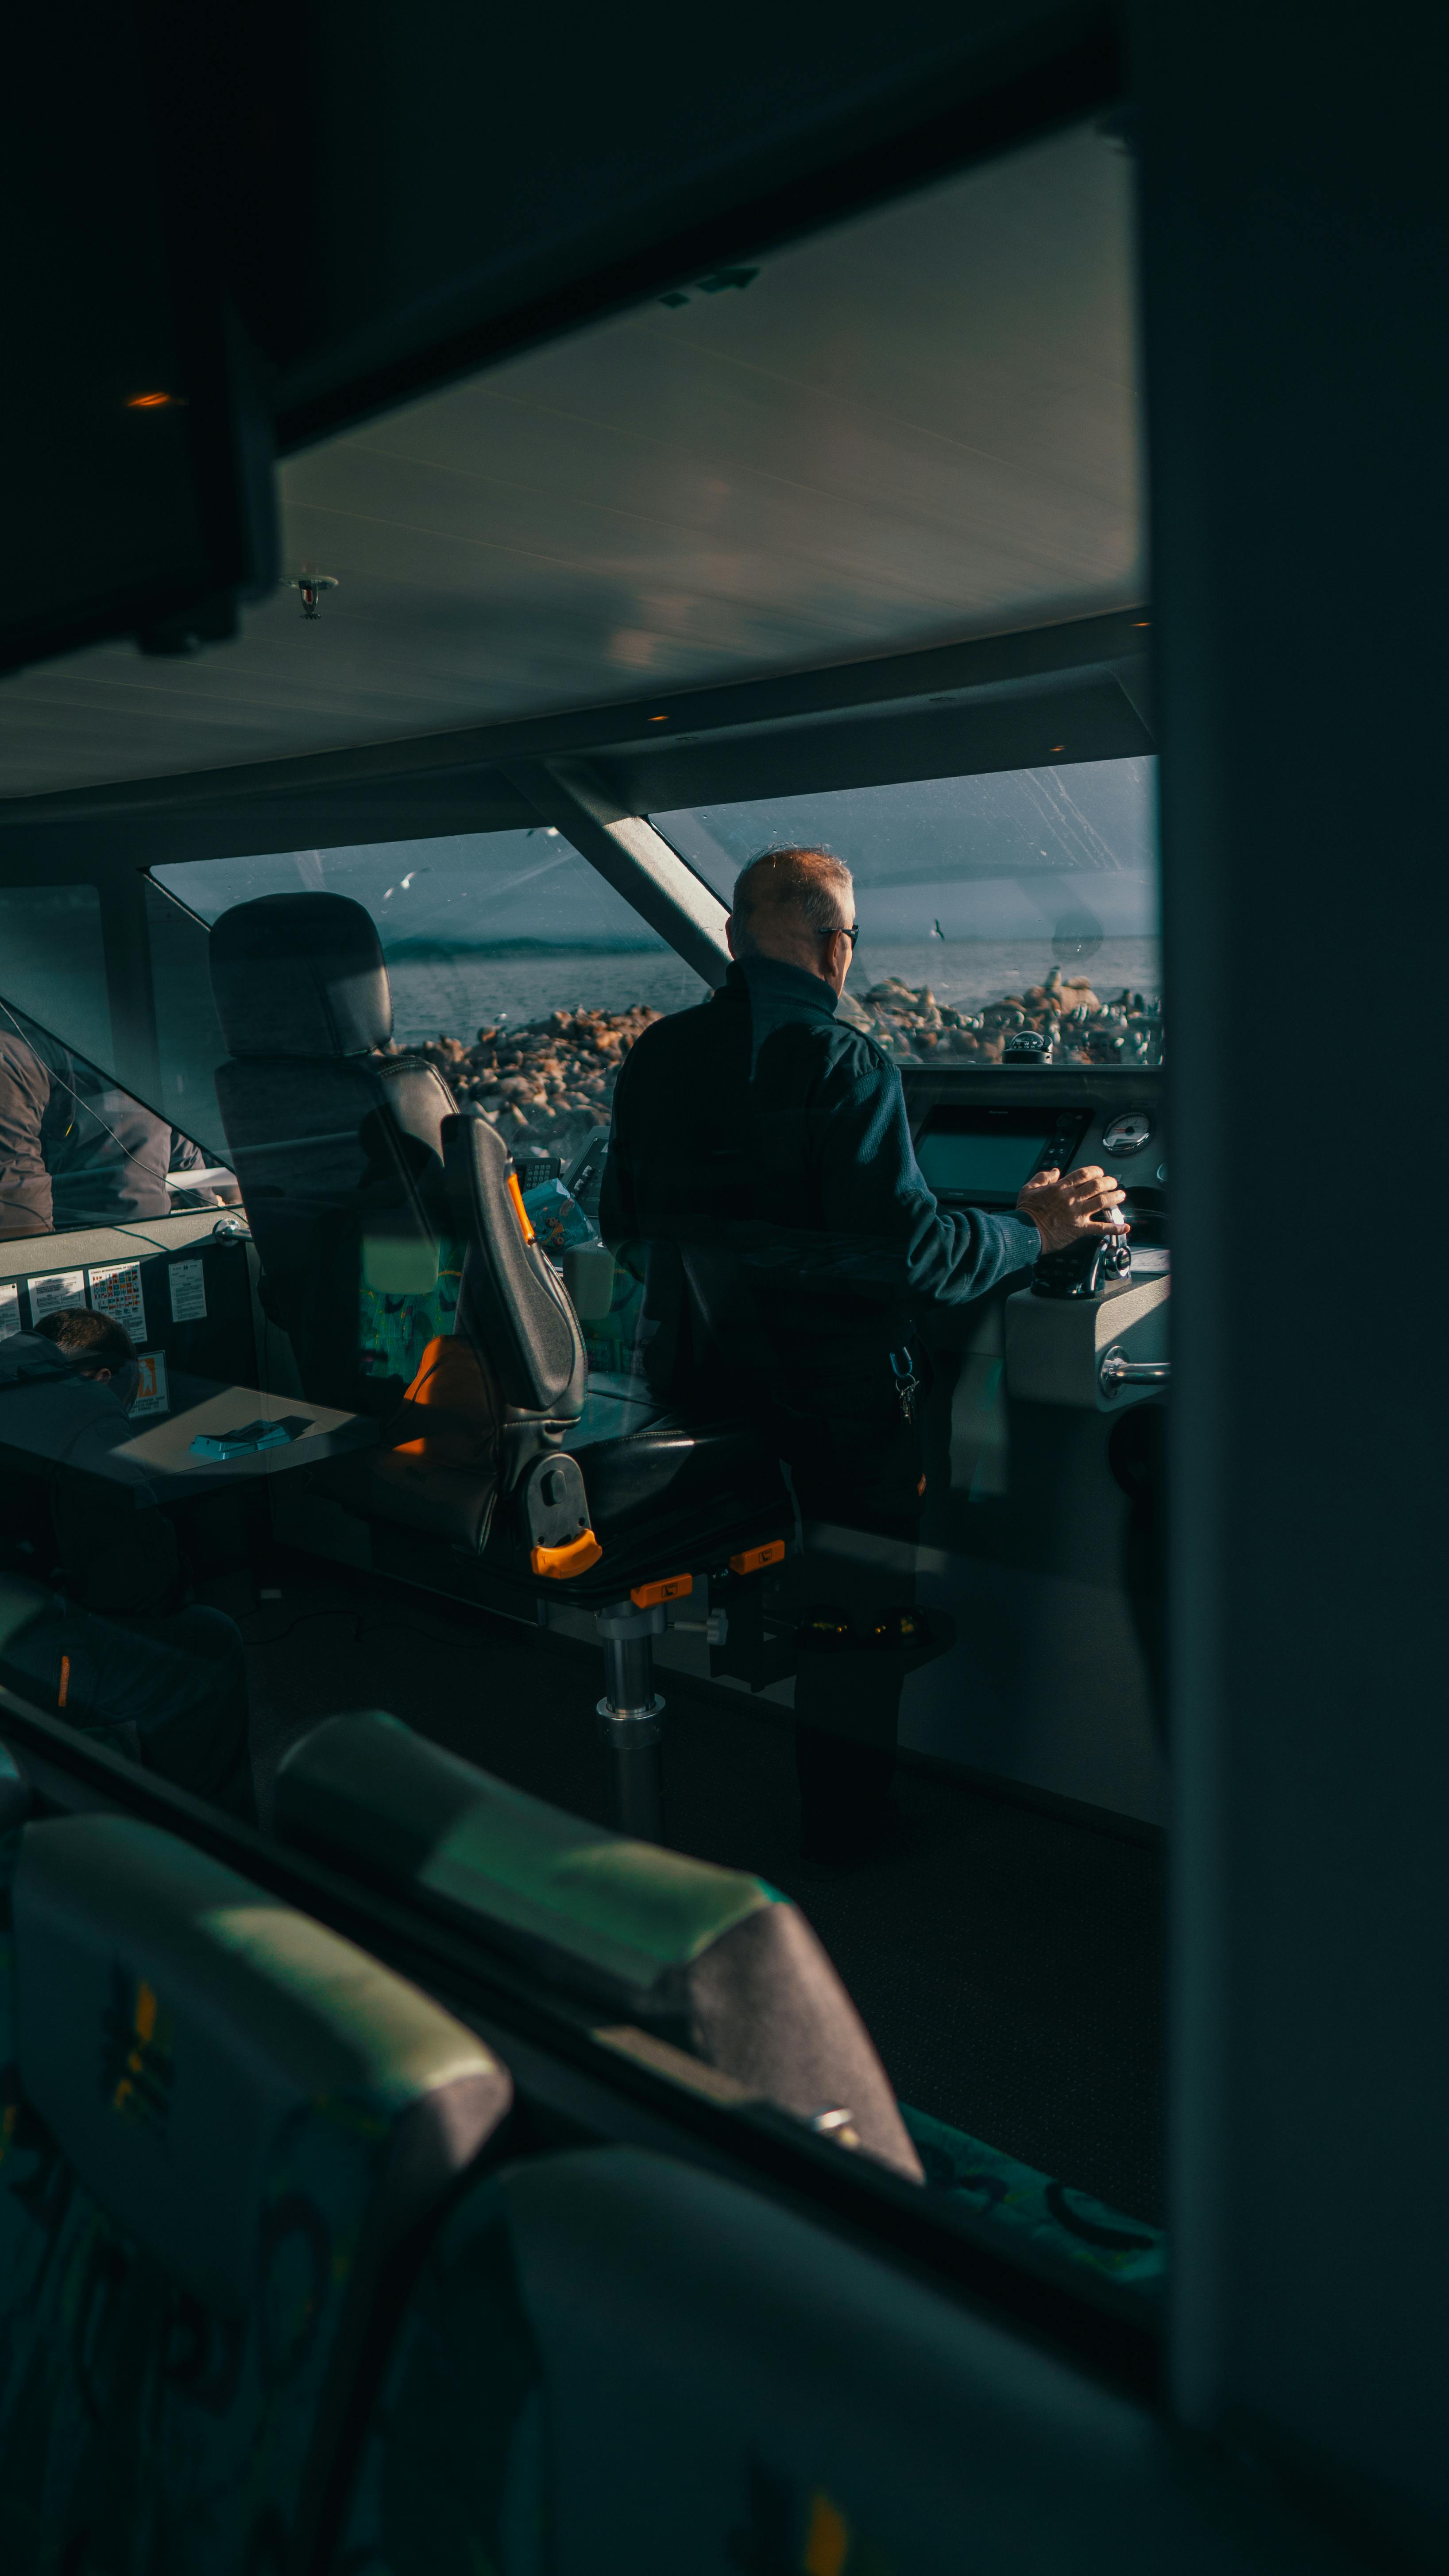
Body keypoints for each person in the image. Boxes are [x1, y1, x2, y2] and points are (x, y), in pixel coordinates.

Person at [600, 846, 1125, 1861]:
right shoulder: (843, 1063)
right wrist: (1035, 1232)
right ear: (837, 948)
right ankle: (850, 1827)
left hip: (698, 1387)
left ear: (731, 938)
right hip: (833, 1410)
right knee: (855, 1587)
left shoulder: (659, 1054)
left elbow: (628, 1224)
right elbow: (917, 1259)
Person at [0, 1305, 255, 1819]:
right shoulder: (86, 1409)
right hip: (21, 1655)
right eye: (129, 1396)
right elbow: (137, 1582)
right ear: (102, 1375)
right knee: (209, 1642)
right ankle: (213, 1842)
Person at [0, 998, 224, 1236]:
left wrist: (211, 1212)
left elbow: (182, 1144)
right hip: (83, 1237)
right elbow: (15, 1167)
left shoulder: (152, 1055)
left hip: (150, 1234)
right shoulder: (33, 1045)